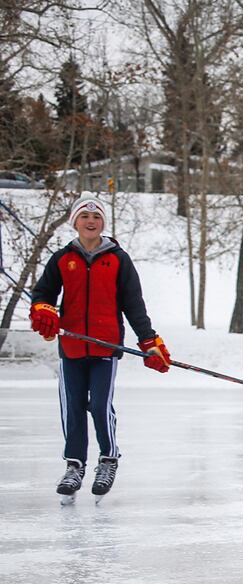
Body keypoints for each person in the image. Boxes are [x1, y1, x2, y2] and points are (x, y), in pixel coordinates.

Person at [29, 194, 171, 499]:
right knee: (73, 405)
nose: (91, 221)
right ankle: (74, 464)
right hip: (72, 346)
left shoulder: (118, 259)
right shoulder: (62, 258)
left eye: (96, 217)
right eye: (84, 216)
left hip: (105, 347)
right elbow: (43, 293)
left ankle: (108, 458)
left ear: (103, 223)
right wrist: (43, 311)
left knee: (100, 405)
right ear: (75, 222)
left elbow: (134, 304)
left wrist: (149, 341)